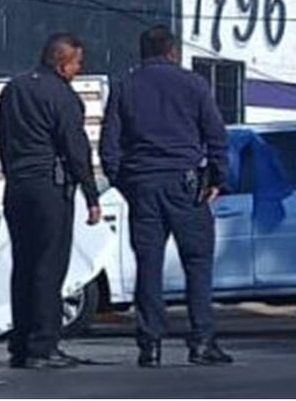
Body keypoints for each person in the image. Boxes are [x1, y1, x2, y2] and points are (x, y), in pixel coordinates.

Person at [99, 25, 233, 367]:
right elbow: (216, 136)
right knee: (198, 264)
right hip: (186, 185)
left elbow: (109, 145)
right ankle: (202, 341)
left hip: (143, 184)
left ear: (142, 52)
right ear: (172, 51)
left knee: (149, 265)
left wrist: (124, 183)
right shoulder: (194, 84)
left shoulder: (124, 86)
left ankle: (150, 345)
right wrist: (217, 177)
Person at [0, 33, 103, 370]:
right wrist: (91, 194)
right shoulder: (63, 97)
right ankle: (43, 347)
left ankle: (20, 344)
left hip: (17, 187)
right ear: (62, 62)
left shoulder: (13, 89)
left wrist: (12, 174)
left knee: (23, 266)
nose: (77, 70)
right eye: (76, 64)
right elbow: (75, 149)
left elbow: (1, 139)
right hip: (50, 189)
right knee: (48, 267)